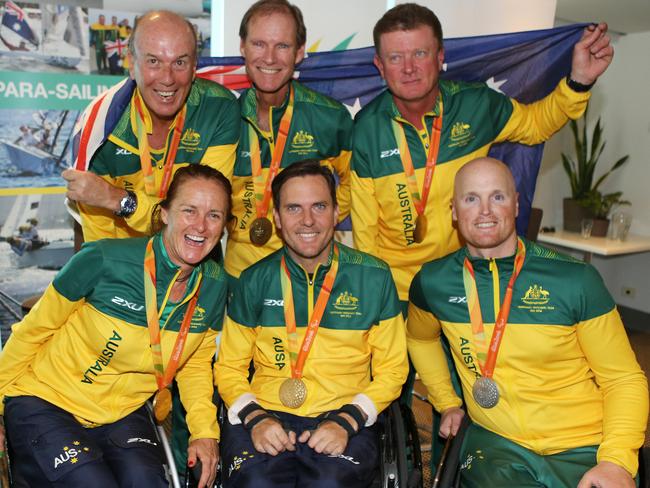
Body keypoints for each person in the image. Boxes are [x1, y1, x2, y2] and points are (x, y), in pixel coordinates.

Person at [407, 157, 648, 488]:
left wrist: (616, 460)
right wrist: (446, 401)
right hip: (496, 443)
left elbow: (623, 379)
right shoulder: (433, 282)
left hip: (585, 444)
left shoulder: (575, 280)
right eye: (471, 199)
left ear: (517, 204)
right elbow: (420, 339)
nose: (485, 211)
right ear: (454, 211)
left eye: (498, 197)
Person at [351, 3, 614, 306]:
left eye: (420, 54)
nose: (409, 68)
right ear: (380, 66)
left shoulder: (476, 105)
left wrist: (578, 81)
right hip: (399, 293)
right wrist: (373, 296)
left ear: (440, 57)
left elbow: (536, 124)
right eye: (395, 57)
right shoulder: (366, 129)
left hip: (468, 281)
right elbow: (365, 231)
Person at [0, 165, 231, 487]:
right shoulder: (103, 259)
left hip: (122, 411)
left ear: (223, 227)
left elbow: (193, 366)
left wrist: (205, 432)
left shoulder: (215, 286)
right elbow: (31, 331)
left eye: (214, 215)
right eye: (189, 210)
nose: (201, 226)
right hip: (47, 400)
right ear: (164, 213)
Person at [216, 160, 408, 487]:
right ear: (276, 218)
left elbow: (393, 369)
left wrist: (347, 421)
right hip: (266, 413)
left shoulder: (374, 277)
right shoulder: (253, 280)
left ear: (336, 212)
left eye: (319, 206)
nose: (307, 220)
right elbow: (229, 367)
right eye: (293, 208)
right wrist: (255, 418)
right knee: (255, 482)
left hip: (345, 414)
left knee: (329, 483)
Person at [64, 10, 239, 243]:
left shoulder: (218, 109)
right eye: (154, 61)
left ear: (194, 66)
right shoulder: (100, 125)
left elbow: (201, 220)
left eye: (180, 62)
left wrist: (119, 200)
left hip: (193, 254)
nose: (167, 78)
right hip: (123, 260)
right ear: (131, 63)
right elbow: (101, 246)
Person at [224, 0, 353, 281]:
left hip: (312, 270)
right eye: (259, 44)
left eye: (282, 45)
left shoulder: (329, 117)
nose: (269, 58)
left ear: (299, 51)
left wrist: (322, 218)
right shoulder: (223, 117)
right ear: (242, 47)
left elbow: (359, 183)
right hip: (240, 274)